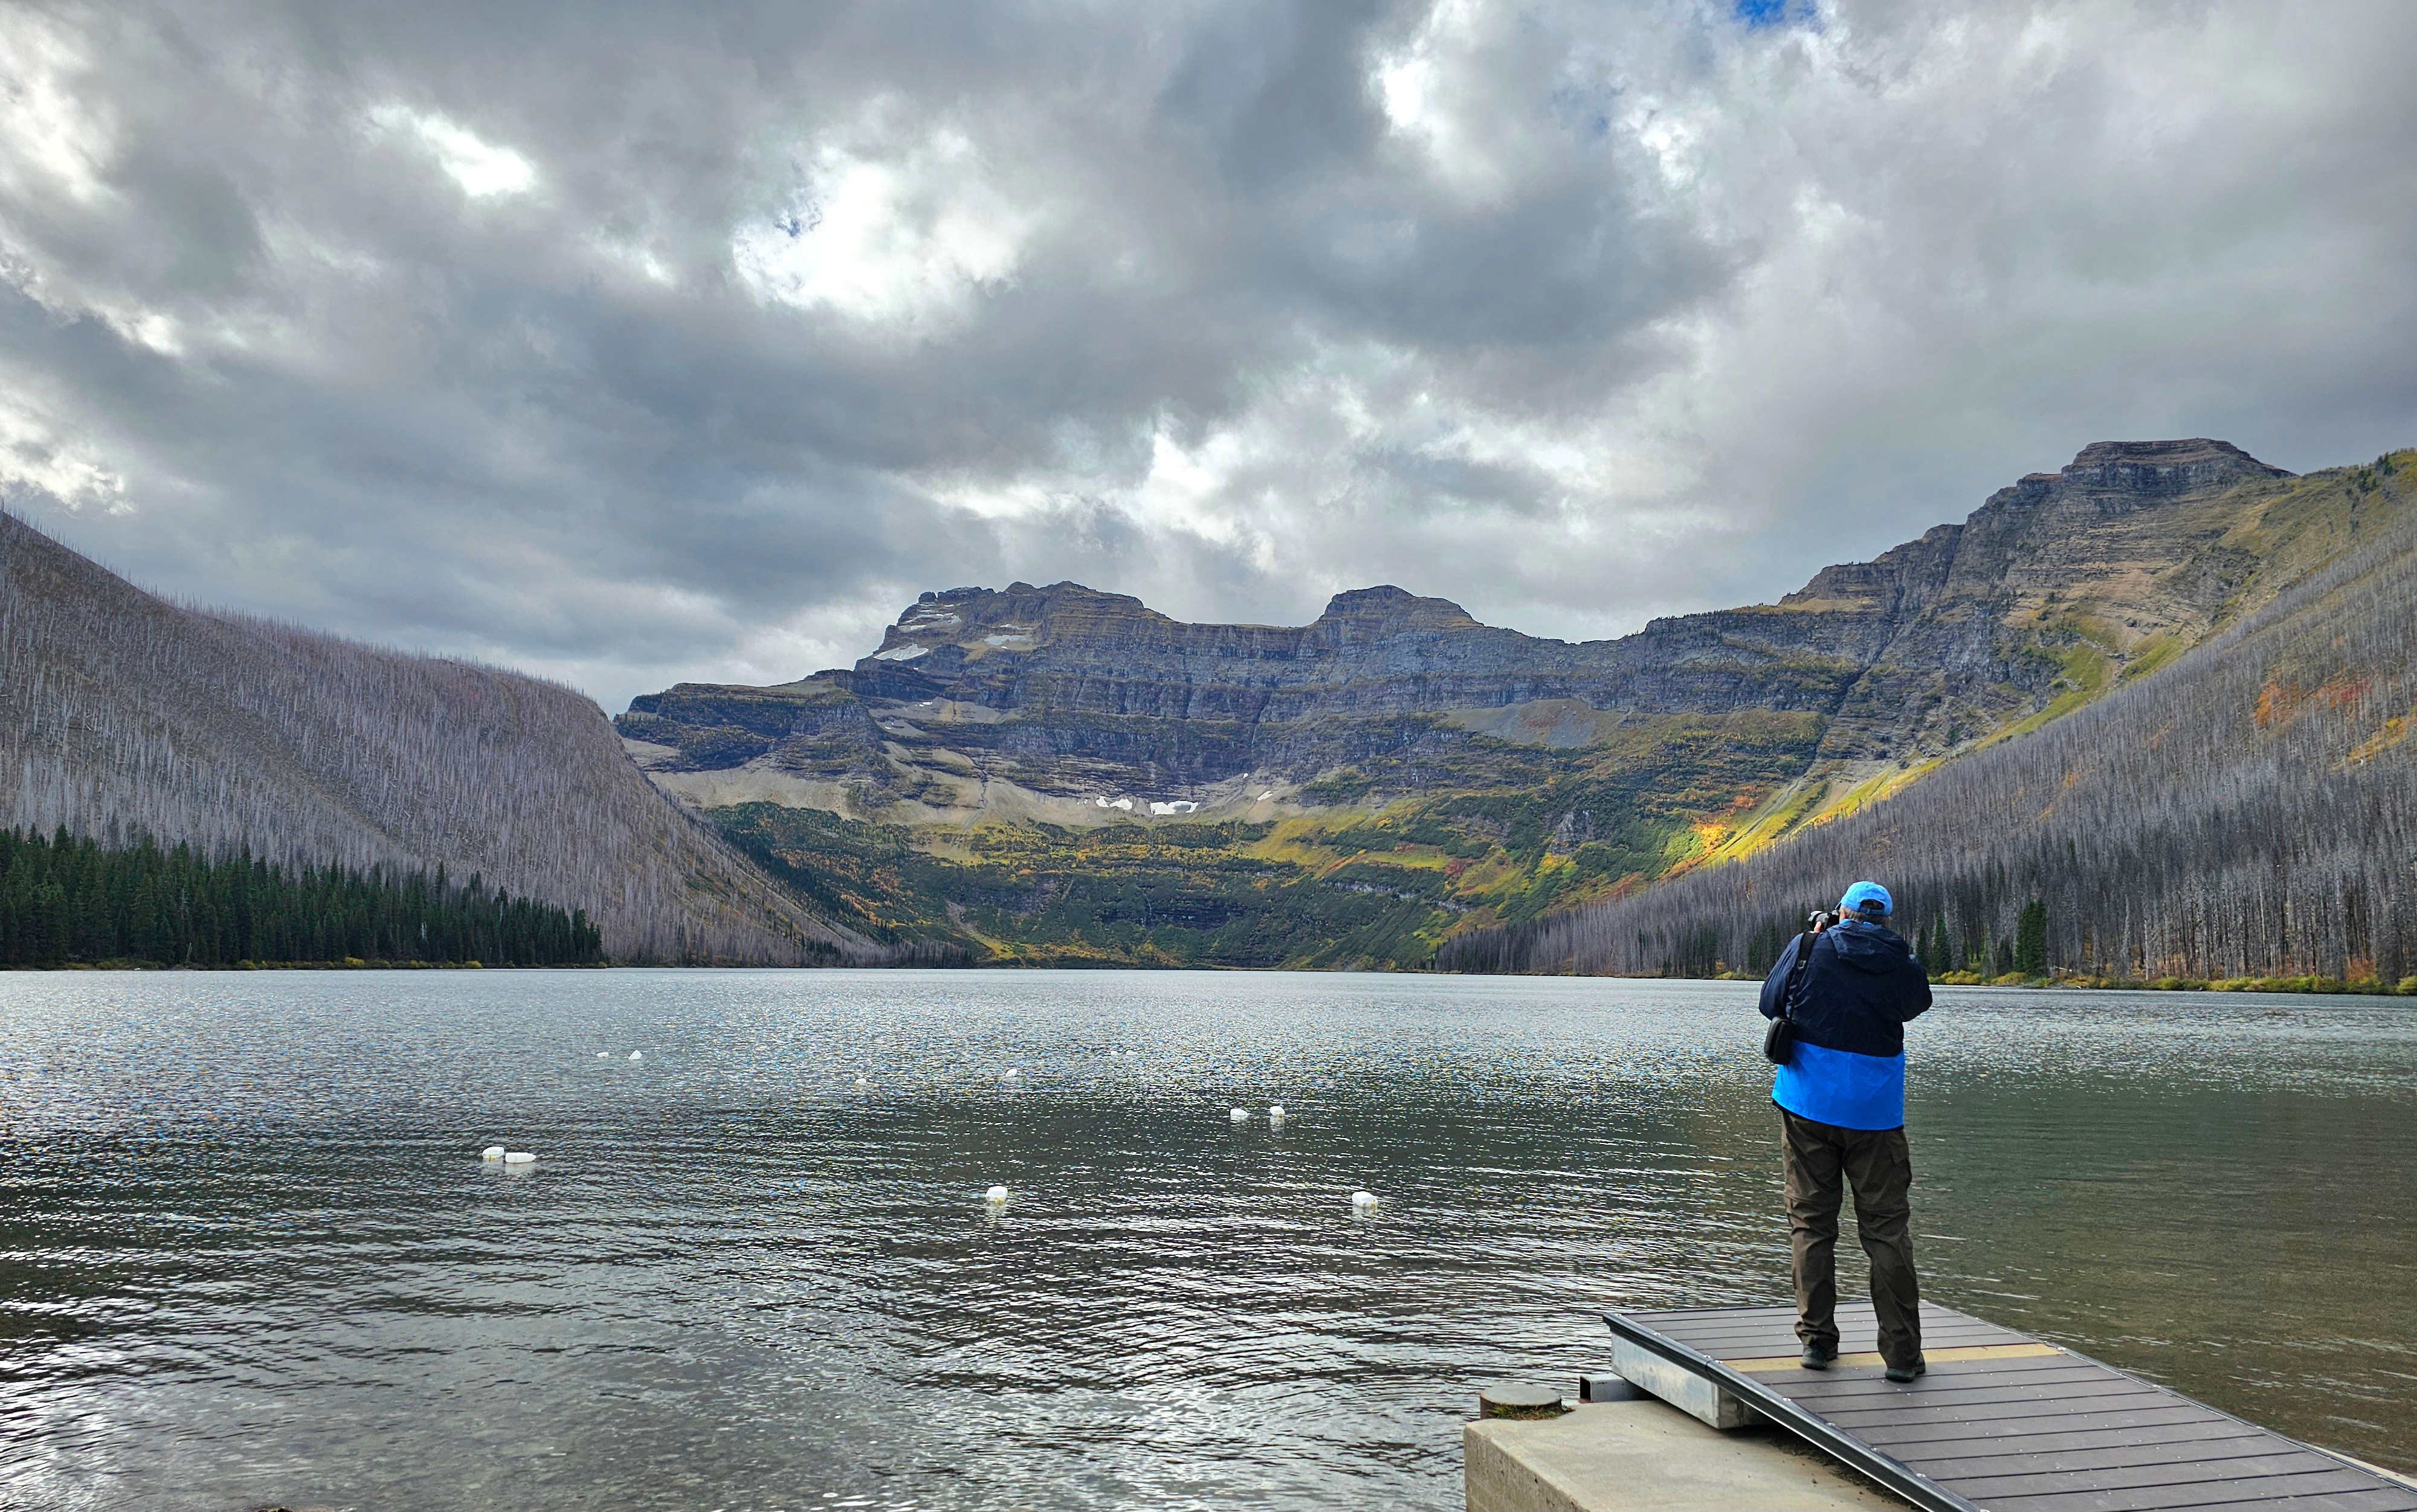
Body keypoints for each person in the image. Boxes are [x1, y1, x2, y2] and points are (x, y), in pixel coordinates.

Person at [1757, 880, 1934, 1382]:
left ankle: (1817, 1342)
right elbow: (1915, 1004)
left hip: (1808, 1106)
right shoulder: (1901, 960)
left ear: (1842, 912)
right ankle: (1902, 1357)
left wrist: (1816, 937)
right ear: (1884, 921)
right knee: (1887, 1231)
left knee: (1812, 1225)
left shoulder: (1811, 945)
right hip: (1876, 1115)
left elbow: (1771, 1002)